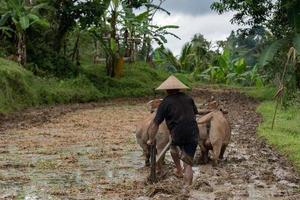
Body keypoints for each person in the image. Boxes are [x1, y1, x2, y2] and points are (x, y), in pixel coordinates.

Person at [147, 75, 199, 186]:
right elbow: (194, 113)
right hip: (193, 132)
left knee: (173, 145)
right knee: (188, 163)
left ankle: (179, 170)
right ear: (180, 88)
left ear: (166, 90)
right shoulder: (188, 99)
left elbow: (155, 123)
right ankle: (186, 187)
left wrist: (151, 139)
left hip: (177, 133)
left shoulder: (165, 103)